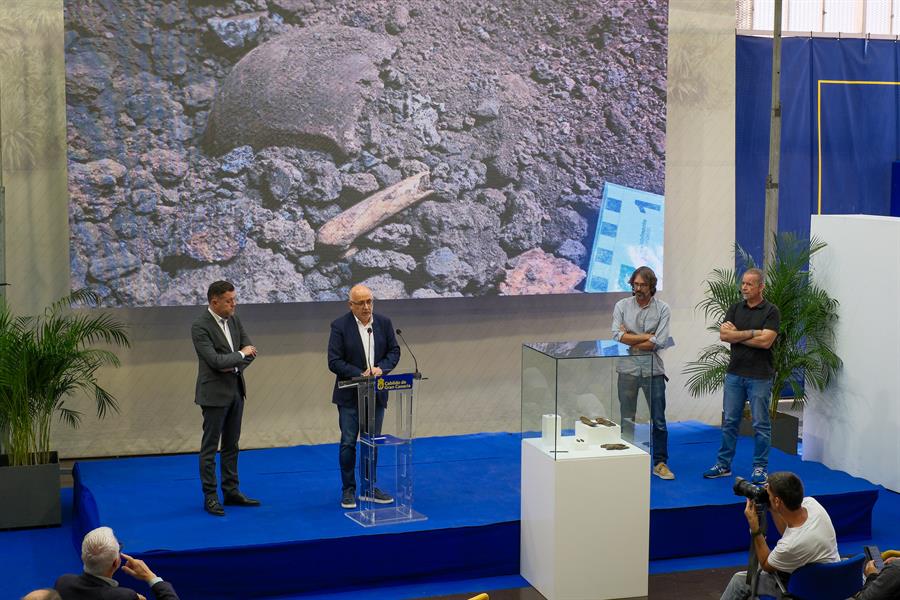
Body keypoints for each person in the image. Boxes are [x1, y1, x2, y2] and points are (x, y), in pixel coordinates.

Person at [327, 284, 401, 510]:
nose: (366, 307)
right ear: (351, 305)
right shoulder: (340, 326)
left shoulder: (384, 323)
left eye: (369, 301)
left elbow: (394, 352)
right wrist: (359, 374)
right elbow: (334, 361)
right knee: (349, 443)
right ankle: (348, 490)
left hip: (376, 394)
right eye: (361, 303)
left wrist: (380, 369)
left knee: (372, 443)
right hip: (350, 396)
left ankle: (369, 488)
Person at [704, 267, 780, 484]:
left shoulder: (771, 311)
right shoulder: (735, 308)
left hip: (760, 376)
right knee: (729, 421)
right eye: (743, 283)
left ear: (761, 287)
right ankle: (723, 464)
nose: (744, 287)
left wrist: (737, 336)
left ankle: (759, 468)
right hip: (735, 374)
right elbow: (723, 335)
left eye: (749, 284)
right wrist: (754, 332)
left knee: (760, 424)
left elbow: (767, 342)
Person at [192, 280, 259, 516]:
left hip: (236, 390)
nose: (234, 304)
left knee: (232, 445)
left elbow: (251, 351)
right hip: (213, 395)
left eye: (234, 299)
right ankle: (210, 496)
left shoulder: (235, 320)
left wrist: (233, 364)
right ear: (214, 301)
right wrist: (238, 355)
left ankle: (231, 491)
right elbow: (215, 361)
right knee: (210, 448)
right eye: (229, 301)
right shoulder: (200, 326)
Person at [720, 471, 839, 600]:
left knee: (739, 581)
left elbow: (766, 564)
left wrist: (755, 528)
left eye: (768, 494)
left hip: (807, 589)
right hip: (832, 580)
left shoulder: (790, 545)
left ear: (777, 501)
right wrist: (773, 508)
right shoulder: (813, 505)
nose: (766, 495)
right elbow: (786, 531)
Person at [611, 266, 674, 480]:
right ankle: (626, 459)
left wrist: (631, 336)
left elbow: (660, 341)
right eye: (635, 284)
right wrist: (645, 337)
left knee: (659, 419)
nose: (638, 288)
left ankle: (660, 463)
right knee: (626, 416)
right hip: (627, 369)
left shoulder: (663, 309)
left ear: (651, 286)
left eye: (643, 285)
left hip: (653, 371)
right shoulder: (621, 305)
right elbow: (616, 336)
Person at [55, 526, 179, 600]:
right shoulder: (124, 596)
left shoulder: (63, 583)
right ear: (116, 562)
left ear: (83, 557)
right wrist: (151, 577)